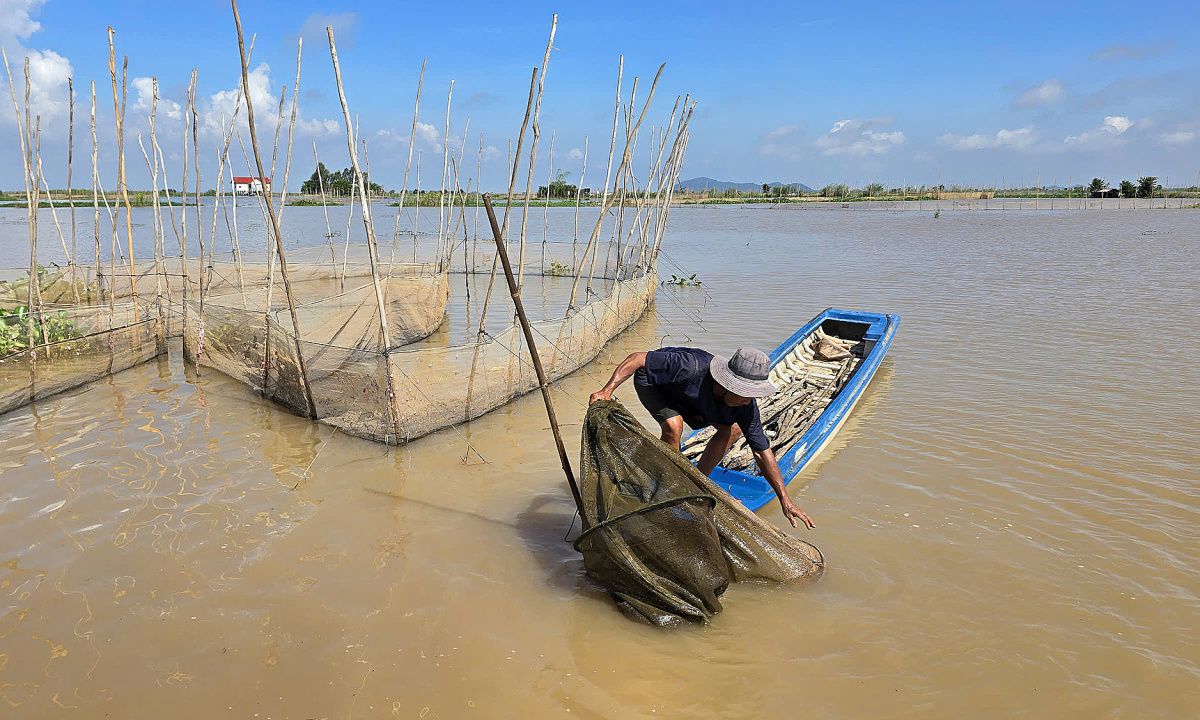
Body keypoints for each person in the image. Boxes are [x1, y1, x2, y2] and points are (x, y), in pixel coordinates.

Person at [589, 346, 814, 529]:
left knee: (732, 430)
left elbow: (761, 452)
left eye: (751, 395)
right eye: (744, 393)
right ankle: (670, 483)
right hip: (656, 385)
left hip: (695, 403)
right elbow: (637, 358)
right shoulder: (690, 366)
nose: (748, 401)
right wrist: (606, 391)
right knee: (673, 426)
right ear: (728, 383)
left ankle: (696, 481)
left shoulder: (746, 405)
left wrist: (785, 499)